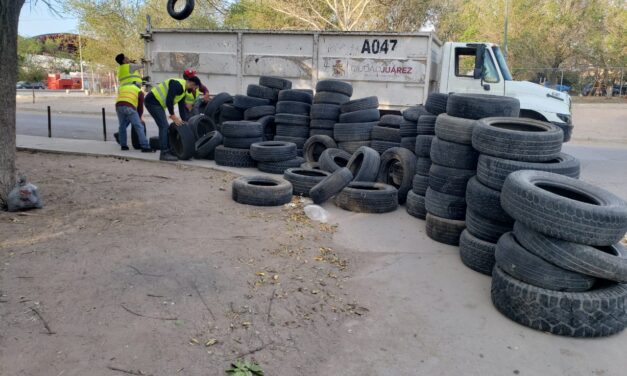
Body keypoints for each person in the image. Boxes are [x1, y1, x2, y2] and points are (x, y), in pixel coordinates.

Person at [144, 76, 201, 161]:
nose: (194, 90)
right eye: (194, 88)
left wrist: (185, 121)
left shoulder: (183, 91)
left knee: (165, 126)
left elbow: (181, 108)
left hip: (158, 103)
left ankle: (169, 150)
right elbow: (169, 100)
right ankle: (164, 153)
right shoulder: (177, 85)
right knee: (164, 126)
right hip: (152, 101)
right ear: (191, 84)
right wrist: (173, 116)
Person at [115, 80, 152, 152]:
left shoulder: (123, 87)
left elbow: (121, 97)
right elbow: (140, 107)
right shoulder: (139, 91)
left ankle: (124, 146)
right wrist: (140, 117)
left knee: (122, 126)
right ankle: (145, 146)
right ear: (139, 86)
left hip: (118, 106)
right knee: (139, 126)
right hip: (129, 107)